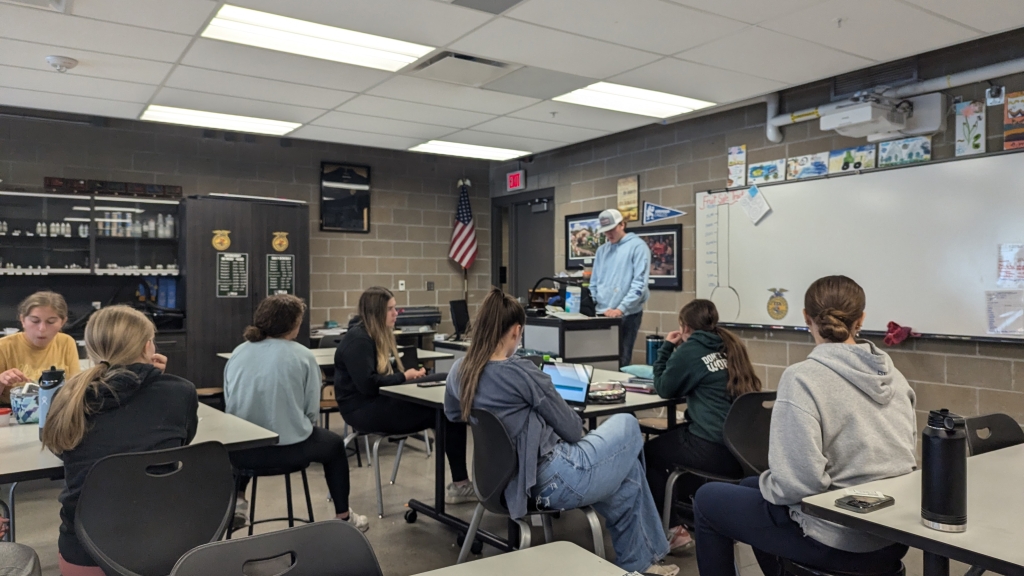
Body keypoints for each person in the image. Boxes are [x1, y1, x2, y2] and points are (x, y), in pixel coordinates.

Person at [444, 287, 679, 576]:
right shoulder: (524, 373)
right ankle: (643, 558)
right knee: (627, 423)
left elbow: (453, 414)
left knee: (627, 471)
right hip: (551, 481)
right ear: (516, 331)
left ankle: (640, 565)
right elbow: (572, 430)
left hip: (498, 483)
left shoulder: (459, 371)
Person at [692, 276, 915, 575]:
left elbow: (800, 484)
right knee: (751, 486)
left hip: (838, 539)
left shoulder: (803, 378)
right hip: (892, 535)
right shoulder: (895, 377)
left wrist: (774, 486)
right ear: (861, 319)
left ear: (806, 318)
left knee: (707, 500)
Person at [41, 305, 197, 576]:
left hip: (83, 548)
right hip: (161, 544)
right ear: (149, 346)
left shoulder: (67, 396)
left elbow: (63, 450)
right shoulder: (179, 392)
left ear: (90, 348)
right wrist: (157, 380)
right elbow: (180, 444)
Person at [224, 295, 368, 532]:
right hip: (289, 451)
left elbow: (232, 403)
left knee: (249, 434)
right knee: (333, 446)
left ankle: (239, 501)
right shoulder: (303, 355)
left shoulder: (238, 353)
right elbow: (311, 412)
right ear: (292, 324)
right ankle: (344, 518)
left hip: (242, 455)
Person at [334, 286, 474, 504]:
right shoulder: (358, 340)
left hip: (378, 401)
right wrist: (403, 377)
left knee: (447, 380)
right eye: (390, 309)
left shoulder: (373, 334)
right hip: (363, 411)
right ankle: (461, 484)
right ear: (376, 312)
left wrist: (408, 375)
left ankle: (460, 483)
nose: (395, 313)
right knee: (448, 411)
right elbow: (368, 385)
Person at [644, 299, 761, 553]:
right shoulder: (731, 345)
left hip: (711, 449)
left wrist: (666, 348)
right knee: (672, 439)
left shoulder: (691, 350)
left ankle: (672, 530)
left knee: (648, 454)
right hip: (741, 452)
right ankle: (682, 517)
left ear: (685, 327)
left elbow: (664, 387)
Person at [589, 209, 651, 367]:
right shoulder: (602, 251)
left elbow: (640, 284)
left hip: (626, 315)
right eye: (605, 231)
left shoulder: (637, 247)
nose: (609, 234)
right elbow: (594, 281)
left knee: (620, 361)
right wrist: (594, 301)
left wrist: (621, 308)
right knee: (599, 359)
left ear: (622, 224)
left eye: (612, 229)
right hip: (601, 313)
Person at [0, 291, 81, 407]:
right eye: (35, 321)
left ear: (62, 322)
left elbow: (75, 391)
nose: (42, 328)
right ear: (23, 320)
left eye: (51, 322)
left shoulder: (66, 342)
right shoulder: (3, 347)